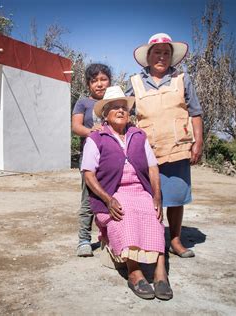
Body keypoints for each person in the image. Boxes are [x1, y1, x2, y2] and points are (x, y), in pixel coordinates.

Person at [82, 86, 173, 300]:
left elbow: (152, 167)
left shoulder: (139, 135)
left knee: (153, 212)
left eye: (124, 107)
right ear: (105, 113)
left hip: (140, 190)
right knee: (125, 212)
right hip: (112, 194)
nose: (121, 110)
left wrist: (157, 196)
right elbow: (88, 174)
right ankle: (134, 272)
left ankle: (161, 271)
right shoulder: (97, 138)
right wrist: (108, 199)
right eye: (115, 107)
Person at [126, 33, 203, 258]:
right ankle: (154, 239)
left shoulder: (182, 79)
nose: (162, 57)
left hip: (178, 148)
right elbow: (122, 109)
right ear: (148, 57)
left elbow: (196, 113)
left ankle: (175, 241)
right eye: (157, 53)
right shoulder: (135, 82)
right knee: (149, 197)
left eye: (166, 53)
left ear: (172, 57)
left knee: (176, 197)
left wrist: (198, 142)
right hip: (147, 151)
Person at [72, 63, 112, 257]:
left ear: (110, 82)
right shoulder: (83, 103)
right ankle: (84, 240)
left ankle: (110, 236)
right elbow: (76, 127)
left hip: (112, 161)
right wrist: (92, 132)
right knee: (88, 200)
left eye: (103, 79)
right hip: (89, 161)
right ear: (88, 84)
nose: (99, 84)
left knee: (113, 198)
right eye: (94, 80)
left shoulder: (114, 101)